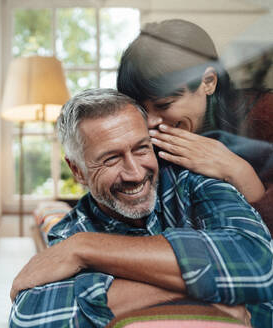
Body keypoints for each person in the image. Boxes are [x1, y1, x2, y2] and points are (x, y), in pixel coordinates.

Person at [9, 89, 273, 328]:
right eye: (111, 158)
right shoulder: (70, 231)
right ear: (77, 170)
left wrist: (87, 249)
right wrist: (212, 287)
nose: (135, 173)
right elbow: (29, 317)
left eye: (141, 149)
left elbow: (260, 263)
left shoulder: (194, 181)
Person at [116, 19, 273, 227]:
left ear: (208, 82)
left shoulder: (265, 115)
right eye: (141, 110)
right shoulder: (140, 142)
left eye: (164, 104)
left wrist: (237, 171)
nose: (150, 122)